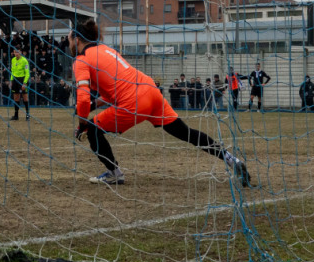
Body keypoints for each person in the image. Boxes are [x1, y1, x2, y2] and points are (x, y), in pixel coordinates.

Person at [69, 19, 251, 187]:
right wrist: (93, 106)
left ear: (77, 40)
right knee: (185, 132)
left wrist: (82, 123)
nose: (68, 44)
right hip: (150, 91)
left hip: (134, 101)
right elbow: (111, 93)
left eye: (69, 40)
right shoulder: (107, 50)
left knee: (93, 130)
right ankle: (231, 160)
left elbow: (83, 98)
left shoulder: (81, 60)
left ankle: (114, 173)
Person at [10, 47, 31, 121]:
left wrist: (24, 83)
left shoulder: (24, 61)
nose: (16, 54)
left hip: (22, 80)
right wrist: (11, 81)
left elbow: (27, 73)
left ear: (20, 52)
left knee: (25, 97)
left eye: (17, 52)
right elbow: (12, 71)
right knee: (16, 97)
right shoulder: (13, 60)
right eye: (15, 52)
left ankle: (27, 115)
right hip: (15, 80)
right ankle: (16, 116)